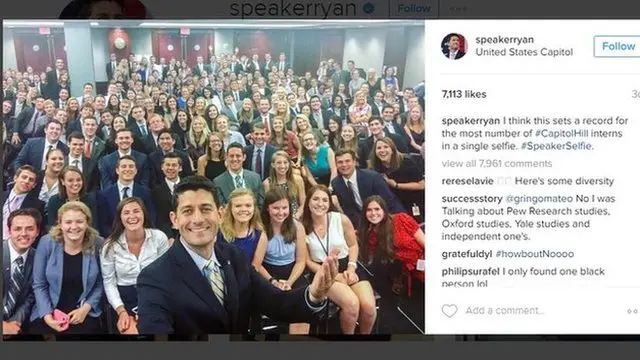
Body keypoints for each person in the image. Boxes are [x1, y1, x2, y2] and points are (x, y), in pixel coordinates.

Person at [136, 175, 339, 334]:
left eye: (206, 209)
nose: (197, 219)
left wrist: (314, 294)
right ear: (174, 219)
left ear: (219, 213)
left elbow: (276, 302)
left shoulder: (235, 257)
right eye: (188, 211)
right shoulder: (154, 278)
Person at [302, 184, 377, 334]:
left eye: (324, 200)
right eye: (315, 199)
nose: (320, 204)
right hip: (321, 270)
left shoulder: (340, 219)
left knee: (369, 307)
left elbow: (353, 245)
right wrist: (335, 276)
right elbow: (307, 261)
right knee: (352, 304)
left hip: (348, 264)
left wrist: (351, 268)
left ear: (329, 203)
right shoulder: (301, 226)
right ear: (308, 201)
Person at [29, 202, 105, 335]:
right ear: (60, 223)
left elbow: (100, 283)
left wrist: (86, 308)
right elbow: (39, 284)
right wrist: (48, 316)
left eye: (79, 221)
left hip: (83, 312)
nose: (74, 227)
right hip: (50, 309)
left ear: (87, 223)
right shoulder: (47, 242)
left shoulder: (98, 243)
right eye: (68, 222)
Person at [101, 198, 170, 334]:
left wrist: (154, 307)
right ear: (120, 218)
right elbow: (109, 283)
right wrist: (121, 312)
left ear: (144, 214)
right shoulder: (109, 247)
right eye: (126, 213)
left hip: (155, 296)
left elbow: (167, 275)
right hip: (124, 301)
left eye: (136, 211)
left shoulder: (159, 238)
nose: (132, 216)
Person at [257, 188, 310, 334]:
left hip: (293, 271)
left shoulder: (297, 227)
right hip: (268, 272)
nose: (281, 212)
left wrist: (289, 282)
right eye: (275, 208)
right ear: (267, 208)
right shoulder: (260, 227)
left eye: (284, 208)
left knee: (301, 307)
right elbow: (257, 264)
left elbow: (301, 261)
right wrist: (273, 281)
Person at [358, 196, 424, 295]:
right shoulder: (370, 235)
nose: (373, 213)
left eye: (377, 209)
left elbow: (425, 243)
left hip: (423, 265)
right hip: (402, 279)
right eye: (369, 210)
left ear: (384, 210)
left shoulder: (401, 219)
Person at [3, 209, 41, 335]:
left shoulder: (39, 259)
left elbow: (31, 297)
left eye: (30, 229)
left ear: (37, 232)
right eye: (17, 229)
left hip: (17, 326)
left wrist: (14, 324)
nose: (24, 233)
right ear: (9, 231)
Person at [217, 188, 266, 266]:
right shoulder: (219, 231)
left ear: (254, 208)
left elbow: (254, 269)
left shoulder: (260, 235)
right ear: (230, 209)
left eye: (248, 205)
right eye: (238, 206)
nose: (243, 209)